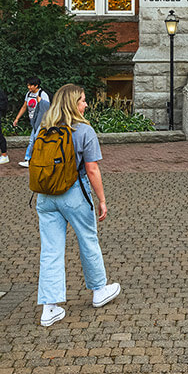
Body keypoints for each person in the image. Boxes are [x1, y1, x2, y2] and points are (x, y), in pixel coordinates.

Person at [34, 83, 120, 327]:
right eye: (82, 100)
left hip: (46, 195)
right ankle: (98, 290)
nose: (85, 104)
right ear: (73, 103)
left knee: (51, 249)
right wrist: (102, 199)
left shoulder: (45, 127)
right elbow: (92, 169)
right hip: (74, 192)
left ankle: (50, 308)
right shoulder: (83, 130)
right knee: (87, 240)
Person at [13, 77, 50, 169]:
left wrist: (40, 101)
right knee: (34, 139)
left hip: (42, 121)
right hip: (33, 121)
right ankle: (34, 159)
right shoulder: (29, 94)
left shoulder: (42, 94)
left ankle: (29, 159)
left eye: (30, 85)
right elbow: (24, 106)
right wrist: (17, 118)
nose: (29, 87)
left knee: (34, 139)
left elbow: (47, 108)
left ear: (36, 85)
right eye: (28, 85)